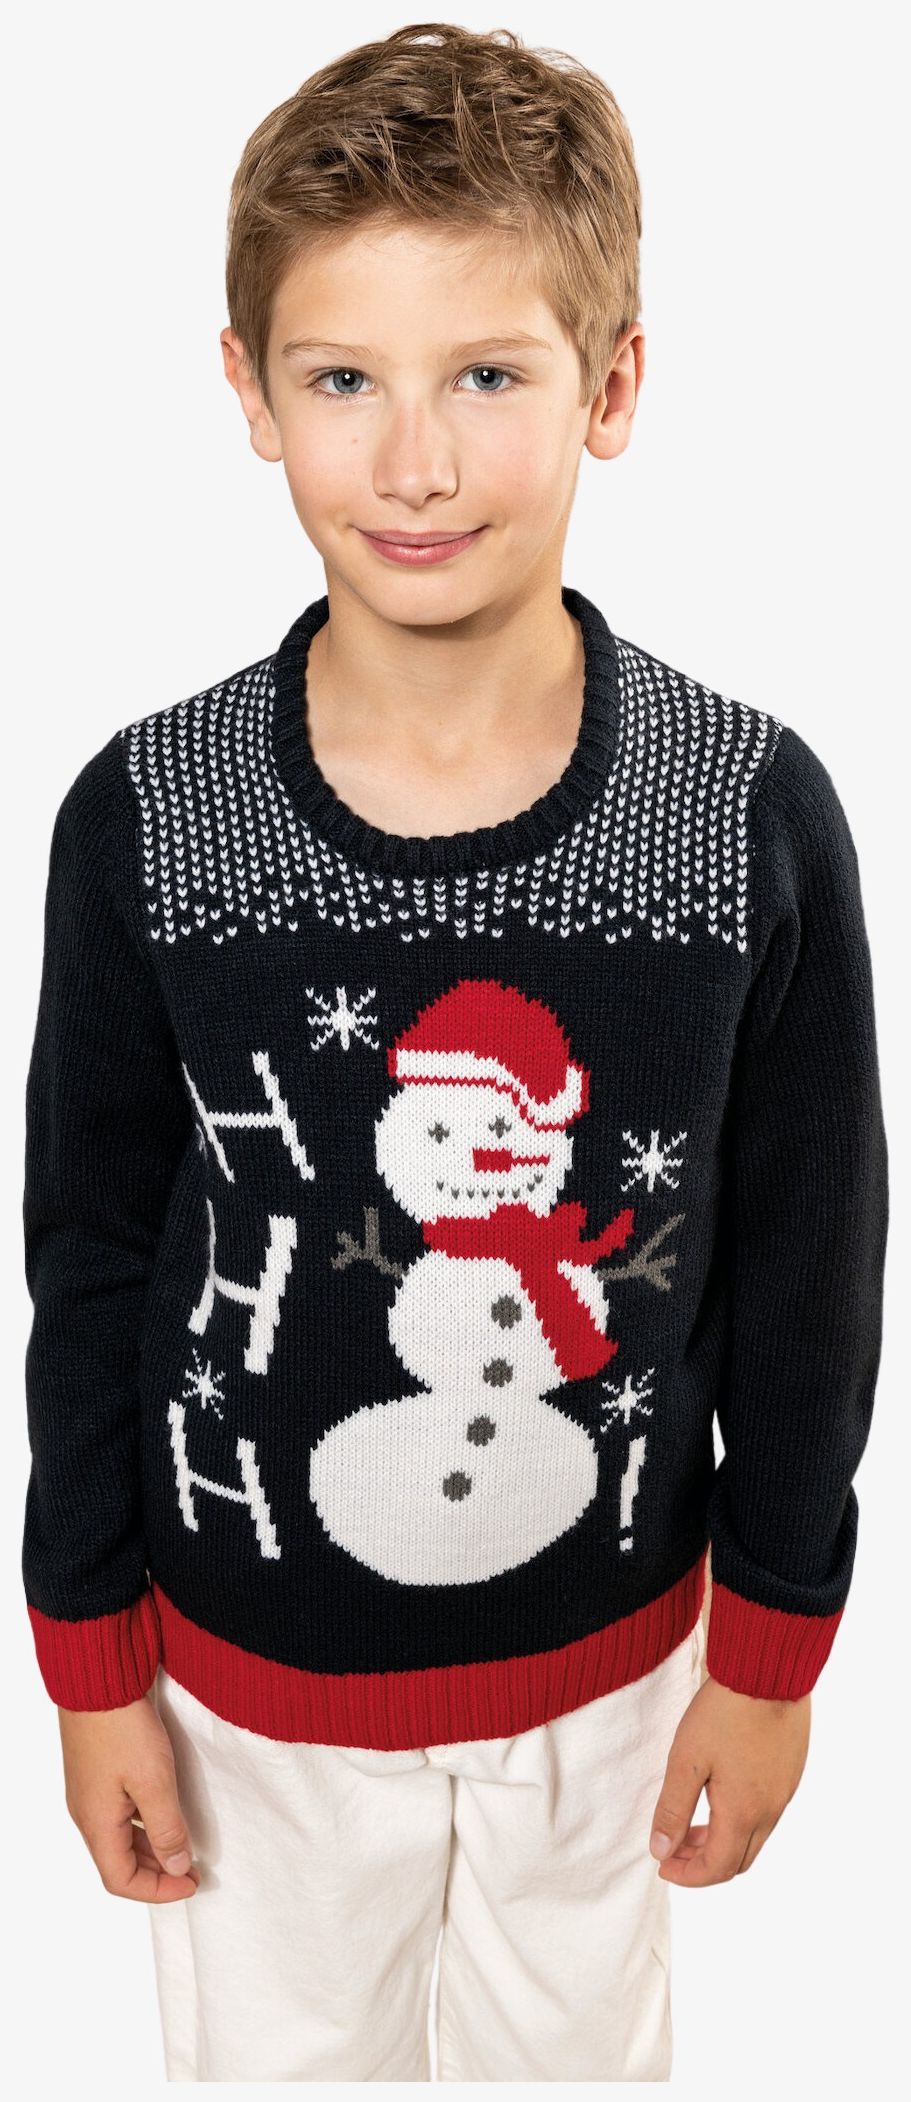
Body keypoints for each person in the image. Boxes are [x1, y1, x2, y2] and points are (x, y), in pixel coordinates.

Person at [20, 19, 889, 2086]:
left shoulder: (741, 812)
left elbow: (813, 1254)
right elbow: (95, 1250)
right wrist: (87, 1652)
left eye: (488, 377)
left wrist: (775, 1646)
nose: (415, 464)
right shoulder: (149, 815)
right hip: (242, 1698)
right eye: (346, 380)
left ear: (615, 384)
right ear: (249, 393)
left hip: (614, 1679)